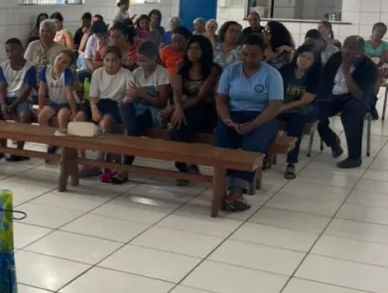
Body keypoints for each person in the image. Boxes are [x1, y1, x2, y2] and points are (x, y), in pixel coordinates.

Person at [214, 34, 284, 211]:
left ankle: (237, 191)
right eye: (244, 54)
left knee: (252, 144)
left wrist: (253, 124)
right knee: (222, 140)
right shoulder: (231, 71)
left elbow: (274, 106)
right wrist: (227, 120)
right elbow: (221, 100)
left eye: (253, 55)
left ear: (263, 55)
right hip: (234, 115)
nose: (248, 59)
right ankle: (223, 183)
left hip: (262, 117)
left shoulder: (272, 75)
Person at [316, 36, 378, 169]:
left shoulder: (369, 67)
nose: (346, 51)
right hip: (334, 96)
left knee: (352, 111)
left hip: (357, 99)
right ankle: (332, 141)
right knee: (315, 108)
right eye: (345, 46)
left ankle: (354, 157)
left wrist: (345, 68)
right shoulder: (335, 58)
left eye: (351, 48)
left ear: (361, 51)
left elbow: (359, 94)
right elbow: (325, 82)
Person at [115, 41, 171, 182]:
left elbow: (162, 102)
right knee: (123, 106)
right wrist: (130, 97)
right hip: (137, 110)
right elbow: (131, 94)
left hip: (153, 113)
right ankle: (124, 168)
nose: (140, 64)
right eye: (138, 60)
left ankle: (124, 169)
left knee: (131, 131)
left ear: (154, 58)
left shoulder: (162, 73)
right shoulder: (136, 72)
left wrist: (143, 95)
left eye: (144, 61)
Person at [75, 46, 134, 176]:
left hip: (114, 105)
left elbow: (129, 94)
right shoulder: (98, 73)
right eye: (107, 60)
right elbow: (93, 95)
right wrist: (94, 108)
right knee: (78, 119)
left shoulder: (126, 74)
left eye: (114, 60)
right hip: (97, 102)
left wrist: (128, 97)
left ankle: (99, 162)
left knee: (104, 123)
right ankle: (81, 159)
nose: (110, 63)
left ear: (119, 61)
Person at [169, 35, 220, 182]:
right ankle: (187, 166)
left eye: (196, 48)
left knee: (179, 126)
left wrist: (178, 110)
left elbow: (200, 97)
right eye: (190, 48)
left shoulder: (212, 69)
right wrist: (177, 108)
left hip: (206, 110)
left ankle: (185, 167)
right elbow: (176, 91)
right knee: (178, 127)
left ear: (205, 50)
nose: (192, 52)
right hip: (185, 109)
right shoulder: (181, 66)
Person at [0, 38, 37, 161]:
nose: (10, 54)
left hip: (22, 99)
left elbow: (27, 91)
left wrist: (12, 106)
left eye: (13, 51)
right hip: (6, 99)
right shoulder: (4, 66)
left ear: (21, 51)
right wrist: (2, 104)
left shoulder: (30, 67)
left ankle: (20, 151)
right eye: (7, 51)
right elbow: (1, 89)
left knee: (25, 116)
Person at [278, 44, 322, 179]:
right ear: (296, 56)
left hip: (305, 108)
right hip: (283, 105)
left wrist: (283, 108)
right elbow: (275, 91)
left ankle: (291, 162)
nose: (304, 60)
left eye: (309, 59)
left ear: (314, 62)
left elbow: (306, 100)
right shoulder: (286, 70)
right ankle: (266, 155)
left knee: (296, 119)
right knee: (268, 119)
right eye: (302, 56)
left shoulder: (315, 75)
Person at [38, 50, 78, 136]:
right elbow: (41, 91)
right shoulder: (46, 70)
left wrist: (74, 112)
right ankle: (50, 141)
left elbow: (69, 94)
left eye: (64, 62)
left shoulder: (67, 73)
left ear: (67, 66)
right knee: (41, 116)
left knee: (62, 117)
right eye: (59, 58)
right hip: (53, 103)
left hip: (65, 104)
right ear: (55, 57)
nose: (59, 63)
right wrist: (40, 107)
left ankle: (62, 143)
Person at [365, 22, 388, 118]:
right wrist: (377, 57)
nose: (381, 34)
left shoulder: (386, 45)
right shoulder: (364, 43)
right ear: (373, 31)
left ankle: (370, 104)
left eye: (383, 32)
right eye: (378, 31)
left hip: (380, 70)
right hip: (366, 69)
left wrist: (373, 57)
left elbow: (385, 59)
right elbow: (363, 57)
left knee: (377, 76)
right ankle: (370, 105)